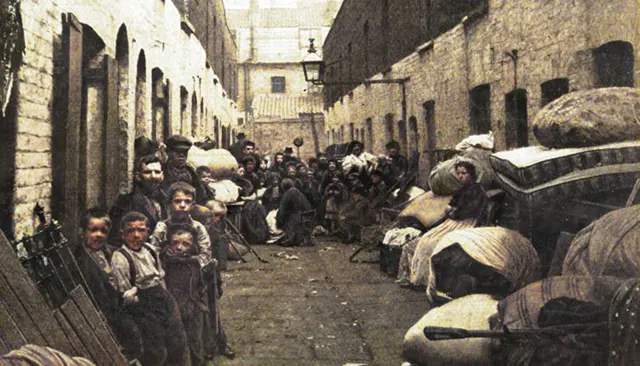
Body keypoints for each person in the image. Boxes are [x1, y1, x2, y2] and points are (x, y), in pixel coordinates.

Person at [110, 211, 188, 366]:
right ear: (122, 234)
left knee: (177, 338)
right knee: (155, 347)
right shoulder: (120, 257)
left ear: (147, 232)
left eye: (141, 230)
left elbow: (160, 277)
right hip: (141, 301)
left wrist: (166, 298)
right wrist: (141, 305)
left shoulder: (150, 250)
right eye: (130, 231)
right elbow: (126, 295)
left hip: (161, 295)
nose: (136, 235)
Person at [398, 160, 488, 288]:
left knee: (432, 244)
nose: (461, 176)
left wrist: (453, 212)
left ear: (471, 175)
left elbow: (471, 211)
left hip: (466, 223)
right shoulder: (462, 189)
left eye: (464, 173)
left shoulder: (477, 190)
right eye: (459, 173)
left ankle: (426, 281)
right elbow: (453, 203)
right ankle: (418, 278)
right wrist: (450, 208)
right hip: (452, 222)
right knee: (425, 239)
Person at [74, 208, 141, 361]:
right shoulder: (80, 260)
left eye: (103, 231)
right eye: (93, 230)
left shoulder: (113, 252)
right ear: (82, 232)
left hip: (122, 304)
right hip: (102, 311)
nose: (99, 235)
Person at [162, 225, 216, 366]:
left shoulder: (195, 263)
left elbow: (204, 286)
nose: (179, 247)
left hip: (193, 308)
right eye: (175, 243)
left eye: (185, 244)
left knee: (196, 343)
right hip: (173, 310)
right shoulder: (163, 263)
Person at [151, 182, 212, 270]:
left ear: (192, 205)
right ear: (169, 204)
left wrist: (188, 260)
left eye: (187, 201)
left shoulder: (198, 227)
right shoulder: (162, 227)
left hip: (192, 273)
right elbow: (153, 253)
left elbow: (206, 255)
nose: (182, 205)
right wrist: (164, 254)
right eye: (177, 201)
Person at [109, 155, 167, 246]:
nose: (153, 176)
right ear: (138, 176)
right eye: (147, 172)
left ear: (162, 176)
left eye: (157, 172)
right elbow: (115, 237)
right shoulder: (125, 202)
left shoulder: (166, 201)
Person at [162, 134, 213, 204]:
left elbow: (200, 194)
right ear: (168, 152)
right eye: (177, 152)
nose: (182, 155)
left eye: (185, 152)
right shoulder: (162, 171)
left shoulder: (190, 171)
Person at [275, 178, 311, 246]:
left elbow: (282, 209)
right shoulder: (298, 193)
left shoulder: (288, 193)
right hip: (304, 216)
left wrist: (279, 218)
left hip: (294, 219)